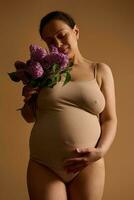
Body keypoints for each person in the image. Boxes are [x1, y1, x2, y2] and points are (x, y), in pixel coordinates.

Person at [21, 10, 117, 200]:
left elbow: (109, 118)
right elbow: (29, 116)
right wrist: (28, 98)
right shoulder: (43, 73)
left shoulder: (100, 70)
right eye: (49, 41)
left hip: (87, 165)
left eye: (62, 35)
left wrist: (100, 152)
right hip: (44, 165)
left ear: (76, 32)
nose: (57, 44)